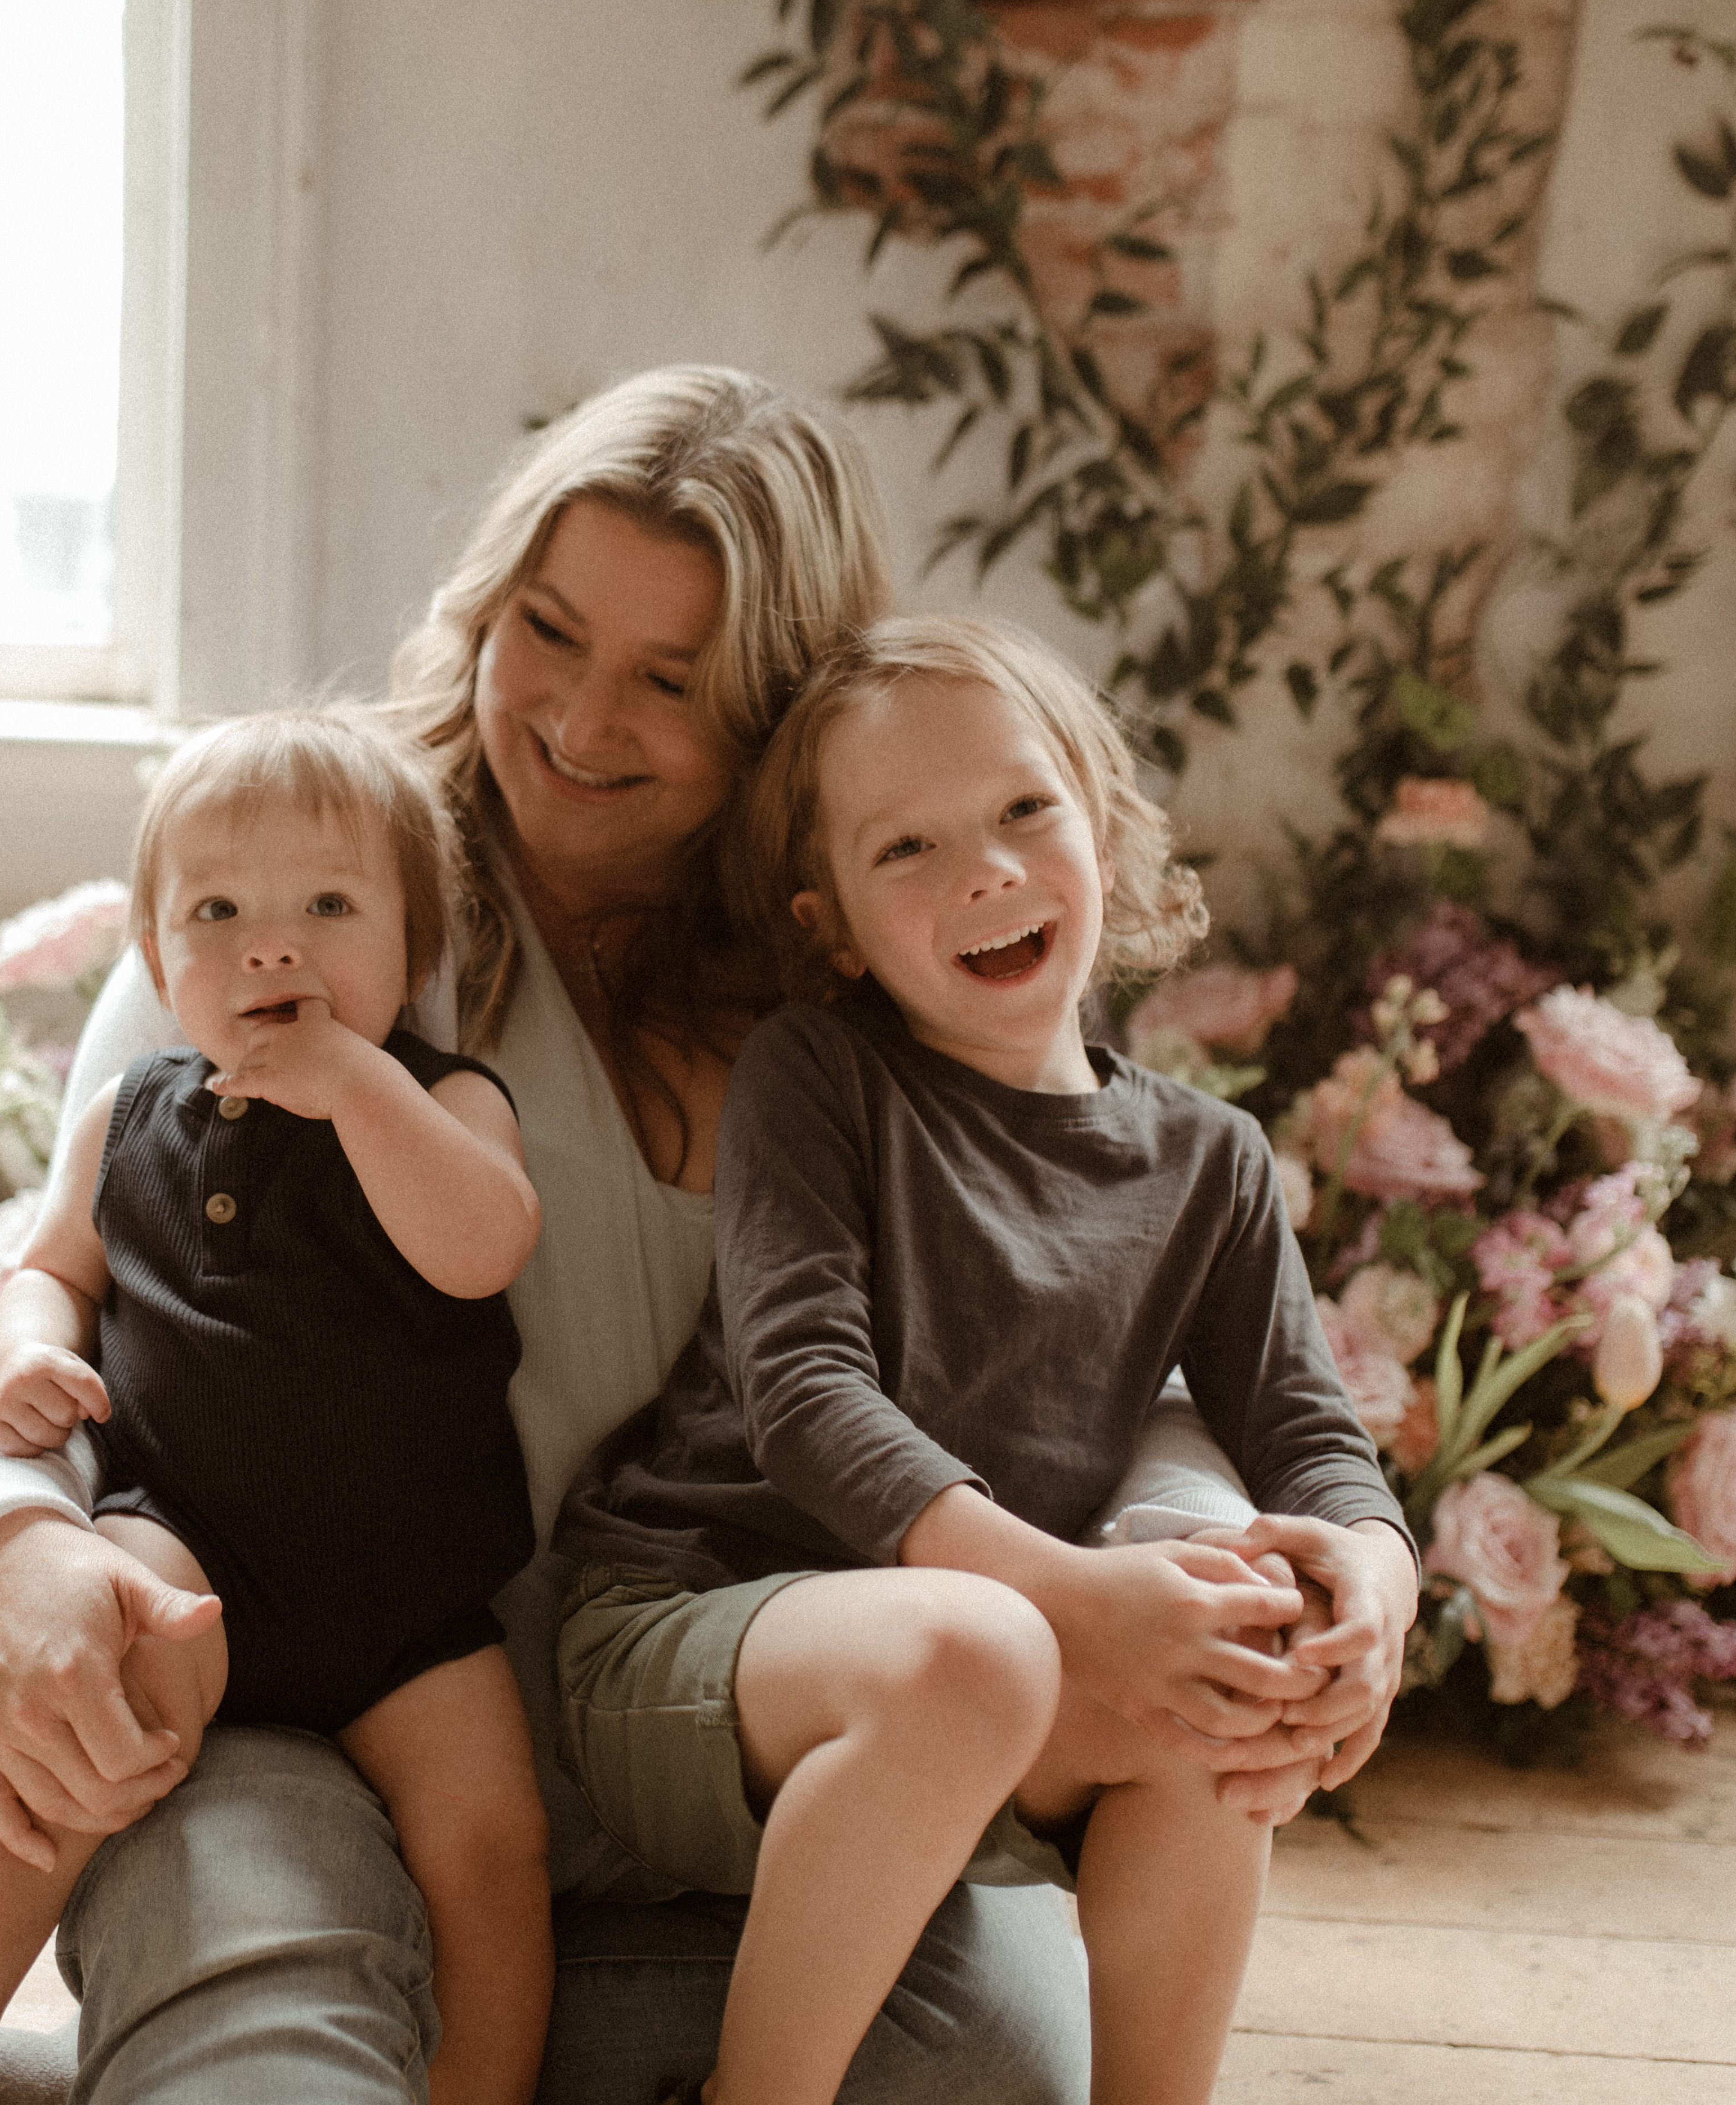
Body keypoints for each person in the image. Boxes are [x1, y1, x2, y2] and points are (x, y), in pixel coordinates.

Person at [0, 367, 1354, 2105]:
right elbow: (73, 1257)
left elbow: (1132, 1317)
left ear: (780, 719)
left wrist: (1188, 1565)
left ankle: (305, 2043)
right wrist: (13, 1548)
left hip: (731, 1752)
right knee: (279, 2052)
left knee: (993, 2071)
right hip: (303, 1713)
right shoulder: (315, 885)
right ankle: (257, 2020)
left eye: (672, 683)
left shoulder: (881, 960)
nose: (584, 718)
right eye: (550, 630)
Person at [553, 617, 1421, 2105]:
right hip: (695, 1637)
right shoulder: (820, 1077)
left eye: (1027, 809)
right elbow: (808, 1399)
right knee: (985, 1647)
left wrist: (1378, 1601)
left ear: (1099, 812)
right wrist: (1076, 1597)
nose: (987, 870)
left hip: (971, 1693)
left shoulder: (1207, 1161)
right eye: (909, 849)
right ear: (830, 925)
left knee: (1230, 1667)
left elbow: (1310, 1432)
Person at [0, 711, 550, 2105]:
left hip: (411, 1596)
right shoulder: (127, 1118)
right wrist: (24, 1352)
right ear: (160, 959)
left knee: (496, 1846)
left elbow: (484, 1245)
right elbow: (51, 1267)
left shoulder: (445, 1100)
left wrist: (356, 1084)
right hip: (190, 1547)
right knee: (71, 1747)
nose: (270, 946)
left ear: (414, 954)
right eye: (218, 911)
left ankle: (482, 2088)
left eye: (328, 908)